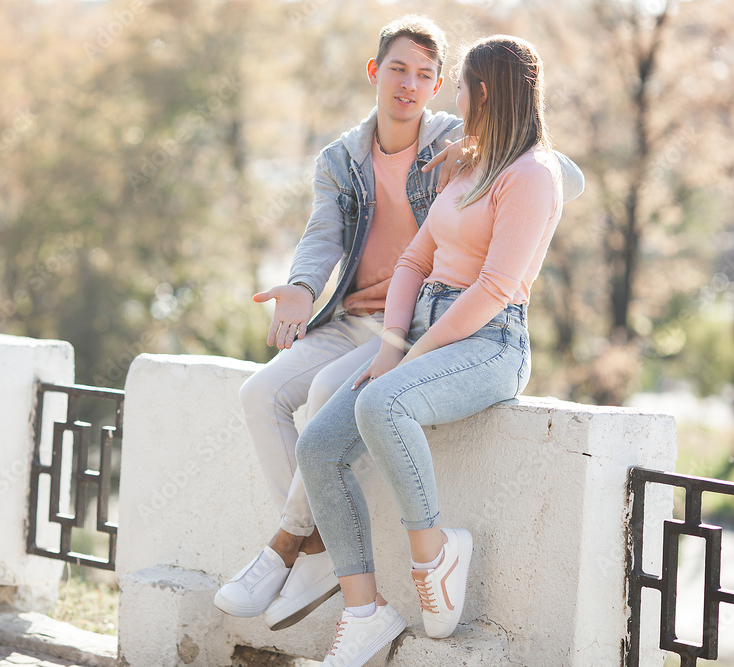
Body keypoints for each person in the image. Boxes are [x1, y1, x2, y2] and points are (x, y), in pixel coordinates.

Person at [213, 16, 583, 632]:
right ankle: (318, 546)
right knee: (261, 394)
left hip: (423, 324)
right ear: (374, 73)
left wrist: (490, 155)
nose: (410, 85)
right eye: (398, 70)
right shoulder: (341, 159)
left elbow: (554, 172)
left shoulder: (460, 140)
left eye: (427, 75)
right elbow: (322, 237)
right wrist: (302, 290)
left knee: (340, 393)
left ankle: (292, 546)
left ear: (444, 87)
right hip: (361, 320)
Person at [293, 34, 562, 665]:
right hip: (420, 327)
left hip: (489, 341)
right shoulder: (468, 162)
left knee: (383, 405)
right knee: (319, 448)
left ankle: (434, 550)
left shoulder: (532, 175)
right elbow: (416, 257)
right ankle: (364, 612)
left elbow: (495, 287)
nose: (453, 99)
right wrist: (392, 345)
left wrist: (414, 357)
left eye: (460, 85)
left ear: (485, 91)